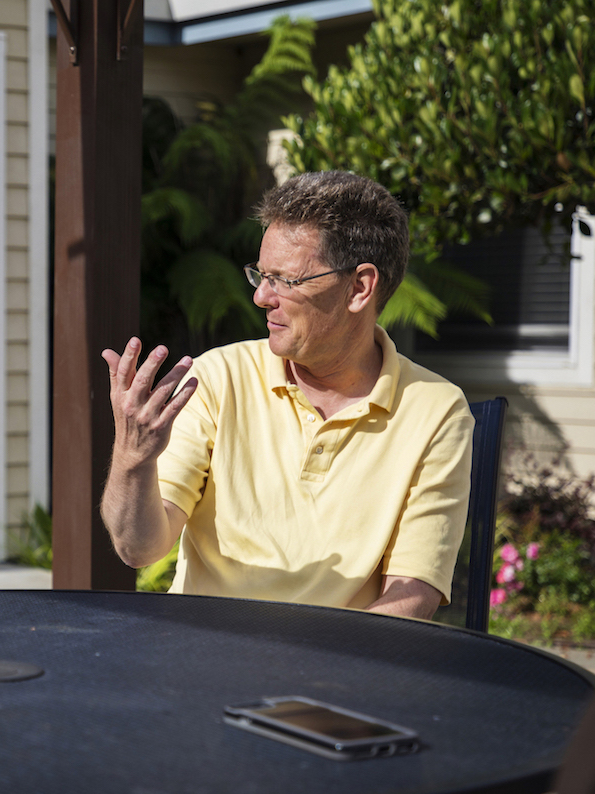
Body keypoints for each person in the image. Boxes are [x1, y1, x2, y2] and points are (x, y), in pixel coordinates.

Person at [100, 171, 473, 619]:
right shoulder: (219, 377)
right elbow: (138, 549)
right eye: (260, 274)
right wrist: (132, 458)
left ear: (360, 287)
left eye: (285, 280)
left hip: (333, 671)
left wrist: (311, 668)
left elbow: (412, 596)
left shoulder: (435, 410)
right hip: (200, 658)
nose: (260, 296)